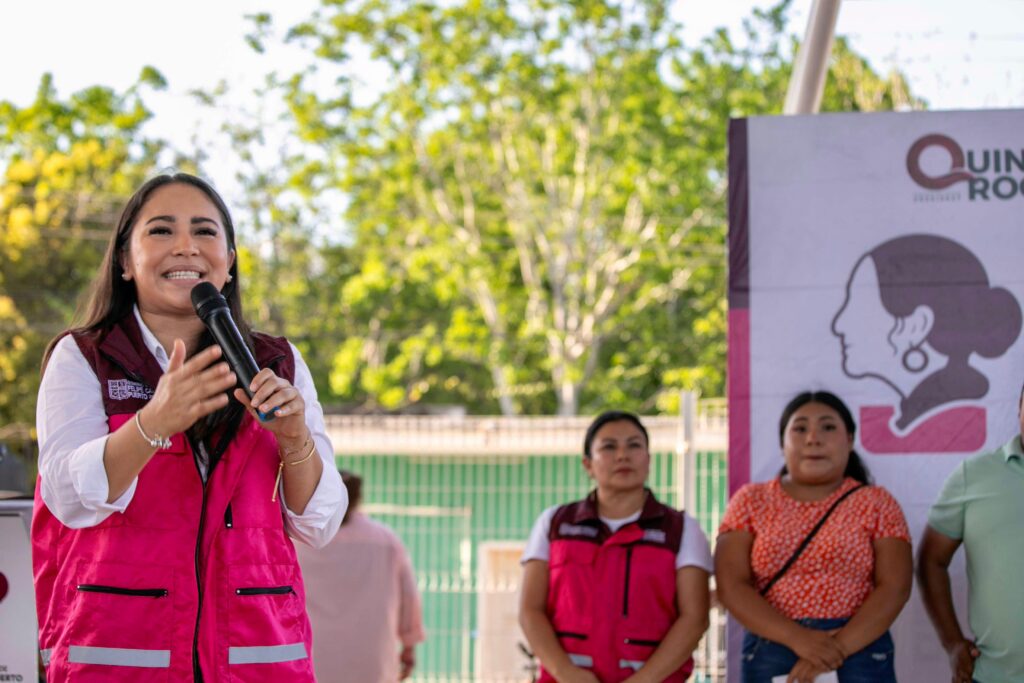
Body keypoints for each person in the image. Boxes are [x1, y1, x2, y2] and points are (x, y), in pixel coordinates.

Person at [31, 172, 347, 681]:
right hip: (120, 660)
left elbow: (319, 523)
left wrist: (295, 439)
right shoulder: (85, 357)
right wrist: (153, 422)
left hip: (256, 661)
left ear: (230, 259)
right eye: (161, 230)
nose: (185, 246)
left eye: (204, 231)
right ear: (125, 261)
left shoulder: (277, 362)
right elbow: (68, 497)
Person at [715, 390, 912, 683]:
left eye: (828, 427)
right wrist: (799, 639)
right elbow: (731, 586)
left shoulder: (877, 502)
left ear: (850, 440)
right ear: (782, 442)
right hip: (772, 646)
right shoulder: (750, 500)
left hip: (859, 647)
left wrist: (836, 648)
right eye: (800, 428)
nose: (813, 439)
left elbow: (895, 587)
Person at [519, 410, 712, 683]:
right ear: (588, 464)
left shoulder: (681, 529)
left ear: (648, 460)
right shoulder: (554, 523)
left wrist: (642, 681)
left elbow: (694, 618)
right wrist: (566, 673)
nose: (623, 455)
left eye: (634, 445)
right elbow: (530, 610)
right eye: (609, 447)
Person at [831, 235, 1020, 451]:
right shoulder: (917, 409)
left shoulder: (952, 409)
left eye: (858, 308)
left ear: (915, 325)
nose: (838, 325)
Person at [917, 387, 1024, 683]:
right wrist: (952, 643)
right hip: (995, 676)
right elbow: (931, 561)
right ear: (1019, 407)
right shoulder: (974, 475)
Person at [296, 469, 426, 682]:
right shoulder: (386, 541)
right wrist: (409, 645)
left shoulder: (300, 542)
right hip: (373, 662)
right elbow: (409, 597)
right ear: (358, 498)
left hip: (313, 658)